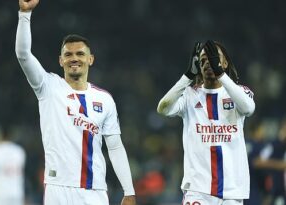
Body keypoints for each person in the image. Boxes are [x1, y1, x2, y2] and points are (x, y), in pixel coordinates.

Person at [15, 0, 136, 205]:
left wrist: (129, 190)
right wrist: (24, 15)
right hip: (58, 188)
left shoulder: (104, 99)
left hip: (94, 190)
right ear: (60, 60)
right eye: (68, 54)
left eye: (80, 54)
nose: (74, 58)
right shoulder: (48, 86)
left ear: (91, 59)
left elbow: (114, 147)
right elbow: (23, 55)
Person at [157, 40, 255, 204]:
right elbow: (163, 108)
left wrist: (221, 75)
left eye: (214, 58)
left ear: (224, 63)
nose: (208, 62)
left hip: (232, 190)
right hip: (198, 190)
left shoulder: (240, 93)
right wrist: (187, 76)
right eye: (203, 59)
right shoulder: (189, 95)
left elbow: (248, 109)